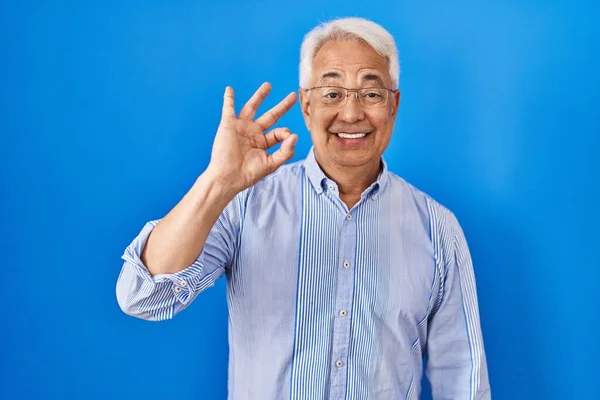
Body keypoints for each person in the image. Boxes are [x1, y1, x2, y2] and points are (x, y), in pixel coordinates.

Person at [116, 16, 491, 400]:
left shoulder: (437, 228)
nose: (351, 114)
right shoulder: (246, 204)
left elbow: (463, 379)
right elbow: (143, 296)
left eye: (371, 93)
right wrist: (218, 182)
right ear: (307, 104)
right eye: (332, 93)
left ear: (393, 104)